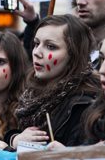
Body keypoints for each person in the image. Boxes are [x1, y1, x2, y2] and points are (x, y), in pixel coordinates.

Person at [7, 14, 100, 147]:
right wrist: (14, 139)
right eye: (36, 43)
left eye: (50, 46)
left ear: (73, 55)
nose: (37, 52)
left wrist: (66, 155)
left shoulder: (84, 105)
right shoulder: (30, 92)